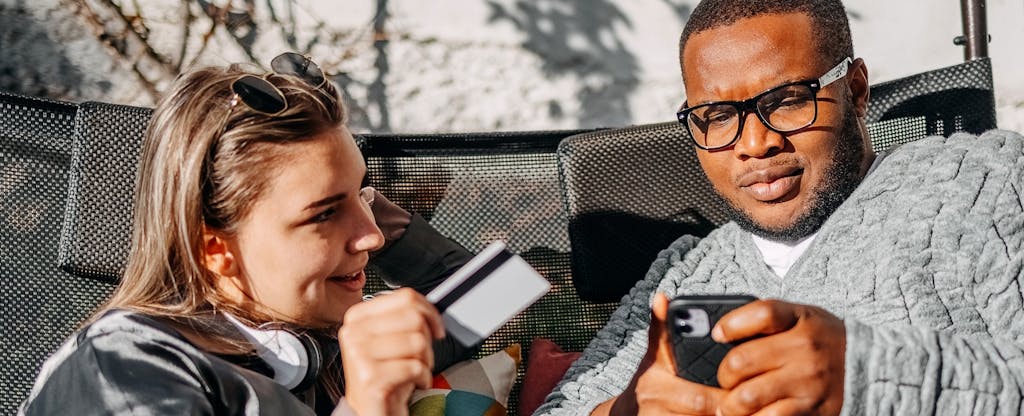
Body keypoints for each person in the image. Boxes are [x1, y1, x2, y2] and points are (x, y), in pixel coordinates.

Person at [538, 0, 1024, 415]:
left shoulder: (986, 185)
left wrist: (871, 374)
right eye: (717, 117)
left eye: (789, 100)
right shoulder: (684, 274)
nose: (755, 143)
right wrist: (629, 408)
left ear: (855, 91)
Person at [19, 53, 473, 416]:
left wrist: (354, 201)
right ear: (215, 249)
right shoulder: (129, 370)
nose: (372, 237)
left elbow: (494, 291)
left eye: (363, 194)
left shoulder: (321, 339)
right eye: (322, 215)